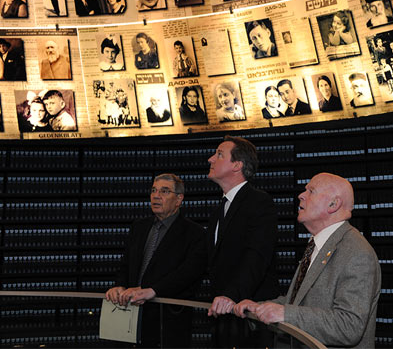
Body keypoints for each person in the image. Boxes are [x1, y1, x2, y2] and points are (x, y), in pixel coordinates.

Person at [233, 173, 381, 349]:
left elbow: (349, 326)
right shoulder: (317, 246)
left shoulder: (356, 252)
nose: (301, 195)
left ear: (333, 204)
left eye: (311, 191)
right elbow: (298, 301)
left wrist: (286, 314)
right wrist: (259, 307)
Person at [105, 174, 205, 348]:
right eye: (154, 190)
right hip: (130, 318)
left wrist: (153, 290)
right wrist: (119, 285)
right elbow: (126, 265)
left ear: (179, 199)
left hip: (167, 321)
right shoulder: (139, 226)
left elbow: (188, 274)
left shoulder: (194, 233)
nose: (156, 196)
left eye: (165, 191)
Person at [206, 136, 279, 348]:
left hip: (252, 320)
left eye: (219, 154)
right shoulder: (219, 209)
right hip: (224, 317)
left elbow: (257, 256)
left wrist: (230, 295)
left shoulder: (259, 202)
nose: (211, 159)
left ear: (237, 165)